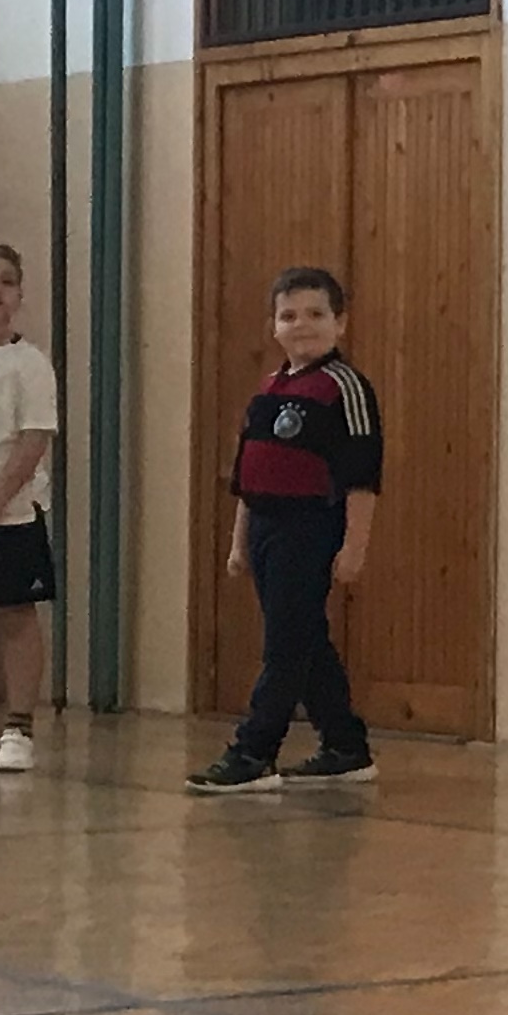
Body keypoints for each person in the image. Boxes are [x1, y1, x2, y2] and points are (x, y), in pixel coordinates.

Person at [190, 266, 384, 795]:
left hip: (310, 528)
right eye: (289, 316)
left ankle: (254, 751)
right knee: (305, 638)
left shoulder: (345, 387)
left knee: (285, 647)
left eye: (316, 314)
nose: (302, 325)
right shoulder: (270, 389)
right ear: (274, 325)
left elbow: (362, 476)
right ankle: (345, 747)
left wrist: (354, 546)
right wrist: (240, 542)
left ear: (340, 322)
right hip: (266, 529)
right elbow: (248, 475)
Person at [0, 242, 53, 775]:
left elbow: (33, 440)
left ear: (19, 295)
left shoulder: (28, 364)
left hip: (9, 514)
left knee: (13, 615)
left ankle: (19, 728)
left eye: (6, 281)